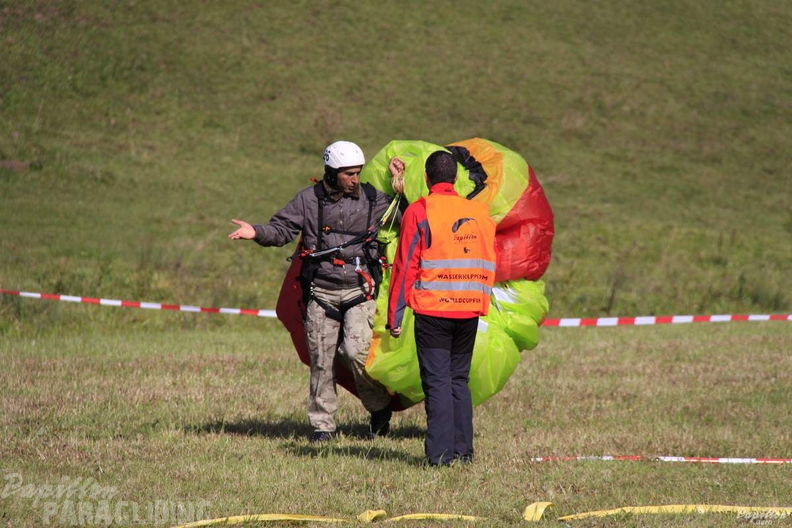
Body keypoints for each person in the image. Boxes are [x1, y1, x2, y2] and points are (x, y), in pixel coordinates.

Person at [228, 140, 400, 443]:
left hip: (361, 289)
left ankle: (379, 409)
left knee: (357, 352)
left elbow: (410, 218)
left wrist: (403, 186)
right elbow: (281, 230)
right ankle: (323, 426)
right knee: (321, 360)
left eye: (357, 173)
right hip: (322, 291)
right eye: (348, 174)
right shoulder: (308, 200)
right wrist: (257, 232)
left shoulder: (375, 199)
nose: (354, 179)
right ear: (331, 172)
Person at [387, 150, 496, 466]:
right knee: (458, 380)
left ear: (426, 178)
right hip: (470, 308)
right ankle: (463, 453)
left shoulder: (420, 210)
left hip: (434, 310)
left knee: (437, 382)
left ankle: (440, 455)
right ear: (455, 178)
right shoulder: (478, 212)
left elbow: (405, 265)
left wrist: (396, 313)